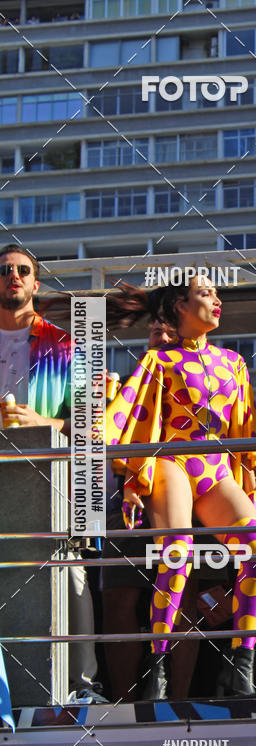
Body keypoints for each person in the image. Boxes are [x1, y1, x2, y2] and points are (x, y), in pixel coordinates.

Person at [104, 277, 256, 699]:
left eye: (217, 294)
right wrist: (98, 428)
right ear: (180, 305)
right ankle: (157, 671)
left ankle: (240, 665)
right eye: (206, 293)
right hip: (172, 461)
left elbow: (244, 433)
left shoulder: (234, 363)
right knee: (176, 551)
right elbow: (125, 414)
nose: (217, 300)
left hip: (216, 471)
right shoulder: (158, 361)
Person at [0, 243, 104, 703]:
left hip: (50, 477)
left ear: (36, 284)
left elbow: (93, 421)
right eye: (4, 271)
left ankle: (82, 685)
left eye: (22, 270)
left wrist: (45, 424)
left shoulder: (67, 344)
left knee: (71, 570)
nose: (13, 277)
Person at [102, 318, 203, 701]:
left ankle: (177, 700)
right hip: (126, 505)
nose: (161, 338)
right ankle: (123, 702)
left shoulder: (200, 383)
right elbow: (101, 441)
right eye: (155, 332)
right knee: (120, 599)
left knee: (184, 598)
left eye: (170, 333)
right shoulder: (127, 382)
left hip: (187, 501)